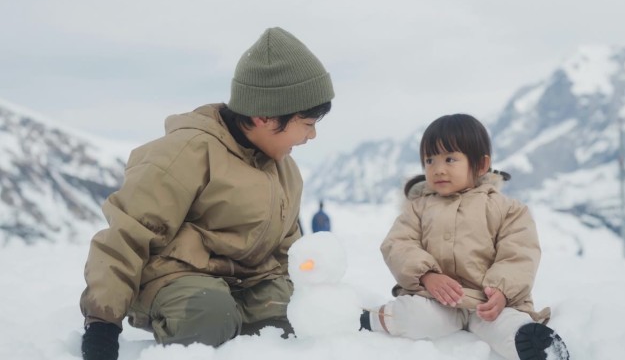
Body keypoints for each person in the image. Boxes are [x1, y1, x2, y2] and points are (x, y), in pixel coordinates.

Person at [80, 27, 334, 360]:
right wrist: (102, 325)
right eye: (307, 123)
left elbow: (287, 248)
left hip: (248, 284)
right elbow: (127, 234)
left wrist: (316, 301)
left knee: (294, 316)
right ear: (265, 116)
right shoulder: (187, 152)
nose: (312, 135)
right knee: (211, 315)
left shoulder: (285, 170)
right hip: (176, 279)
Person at [359, 114, 569, 360]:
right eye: (429, 160)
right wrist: (427, 275)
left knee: (507, 326)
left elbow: (519, 254)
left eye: (450, 159)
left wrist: (502, 292)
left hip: (489, 304)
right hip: (438, 301)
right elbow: (398, 244)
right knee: (415, 317)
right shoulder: (419, 208)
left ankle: (537, 346)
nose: (438, 169)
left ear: (480, 164)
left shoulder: (507, 209)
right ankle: (370, 318)